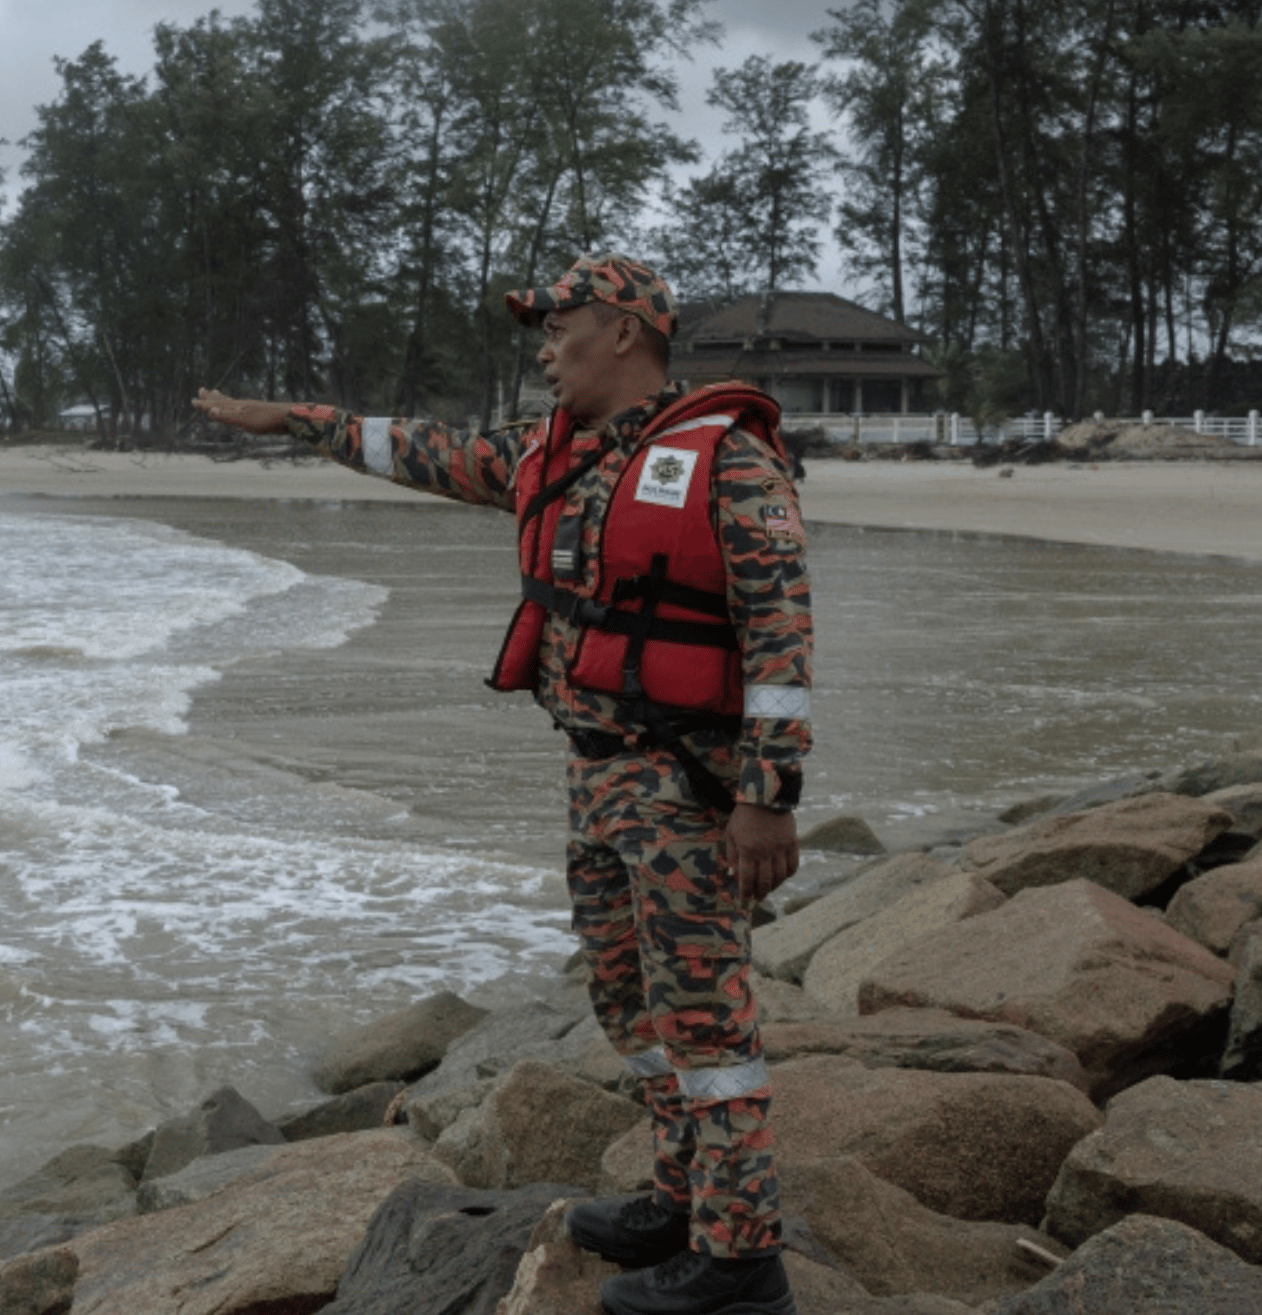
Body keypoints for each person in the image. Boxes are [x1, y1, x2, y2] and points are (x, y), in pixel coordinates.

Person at [193, 253, 809, 1315]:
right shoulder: (549, 453)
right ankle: (680, 1193)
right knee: (630, 1003)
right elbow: (410, 448)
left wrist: (768, 796)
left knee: (707, 1023)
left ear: (621, 329)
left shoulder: (728, 460)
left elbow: (781, 636)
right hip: (594, 775)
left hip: (686, 788)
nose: (541, 347)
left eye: (556, 325)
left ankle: (742, 1256)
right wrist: (287, 416)